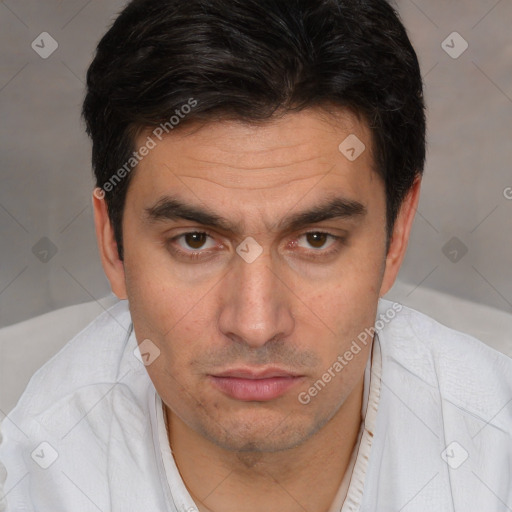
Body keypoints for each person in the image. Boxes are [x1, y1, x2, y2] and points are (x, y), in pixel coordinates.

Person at [1, 0, 511, 510]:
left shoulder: (495, 456)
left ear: (396, 234)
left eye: (316, 240)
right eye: (195, 241)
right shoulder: (28, 478)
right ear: (112, 244)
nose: (255, 324)